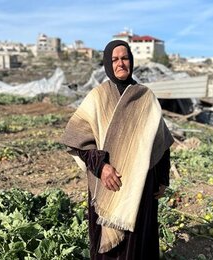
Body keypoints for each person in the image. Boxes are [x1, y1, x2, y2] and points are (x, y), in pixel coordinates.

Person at [63, 40, 174, 260]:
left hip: (141, 186)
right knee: (110, 249)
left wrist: (162, 179)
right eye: (115, 59)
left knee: (139, 244)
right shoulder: (98, 97)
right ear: (107, 63)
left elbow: (160, 142)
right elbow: (78, 140)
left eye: (124, 58)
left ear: (131, 61)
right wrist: (101, 167)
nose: (120, 63)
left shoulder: (146, 97)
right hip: (107, 183)